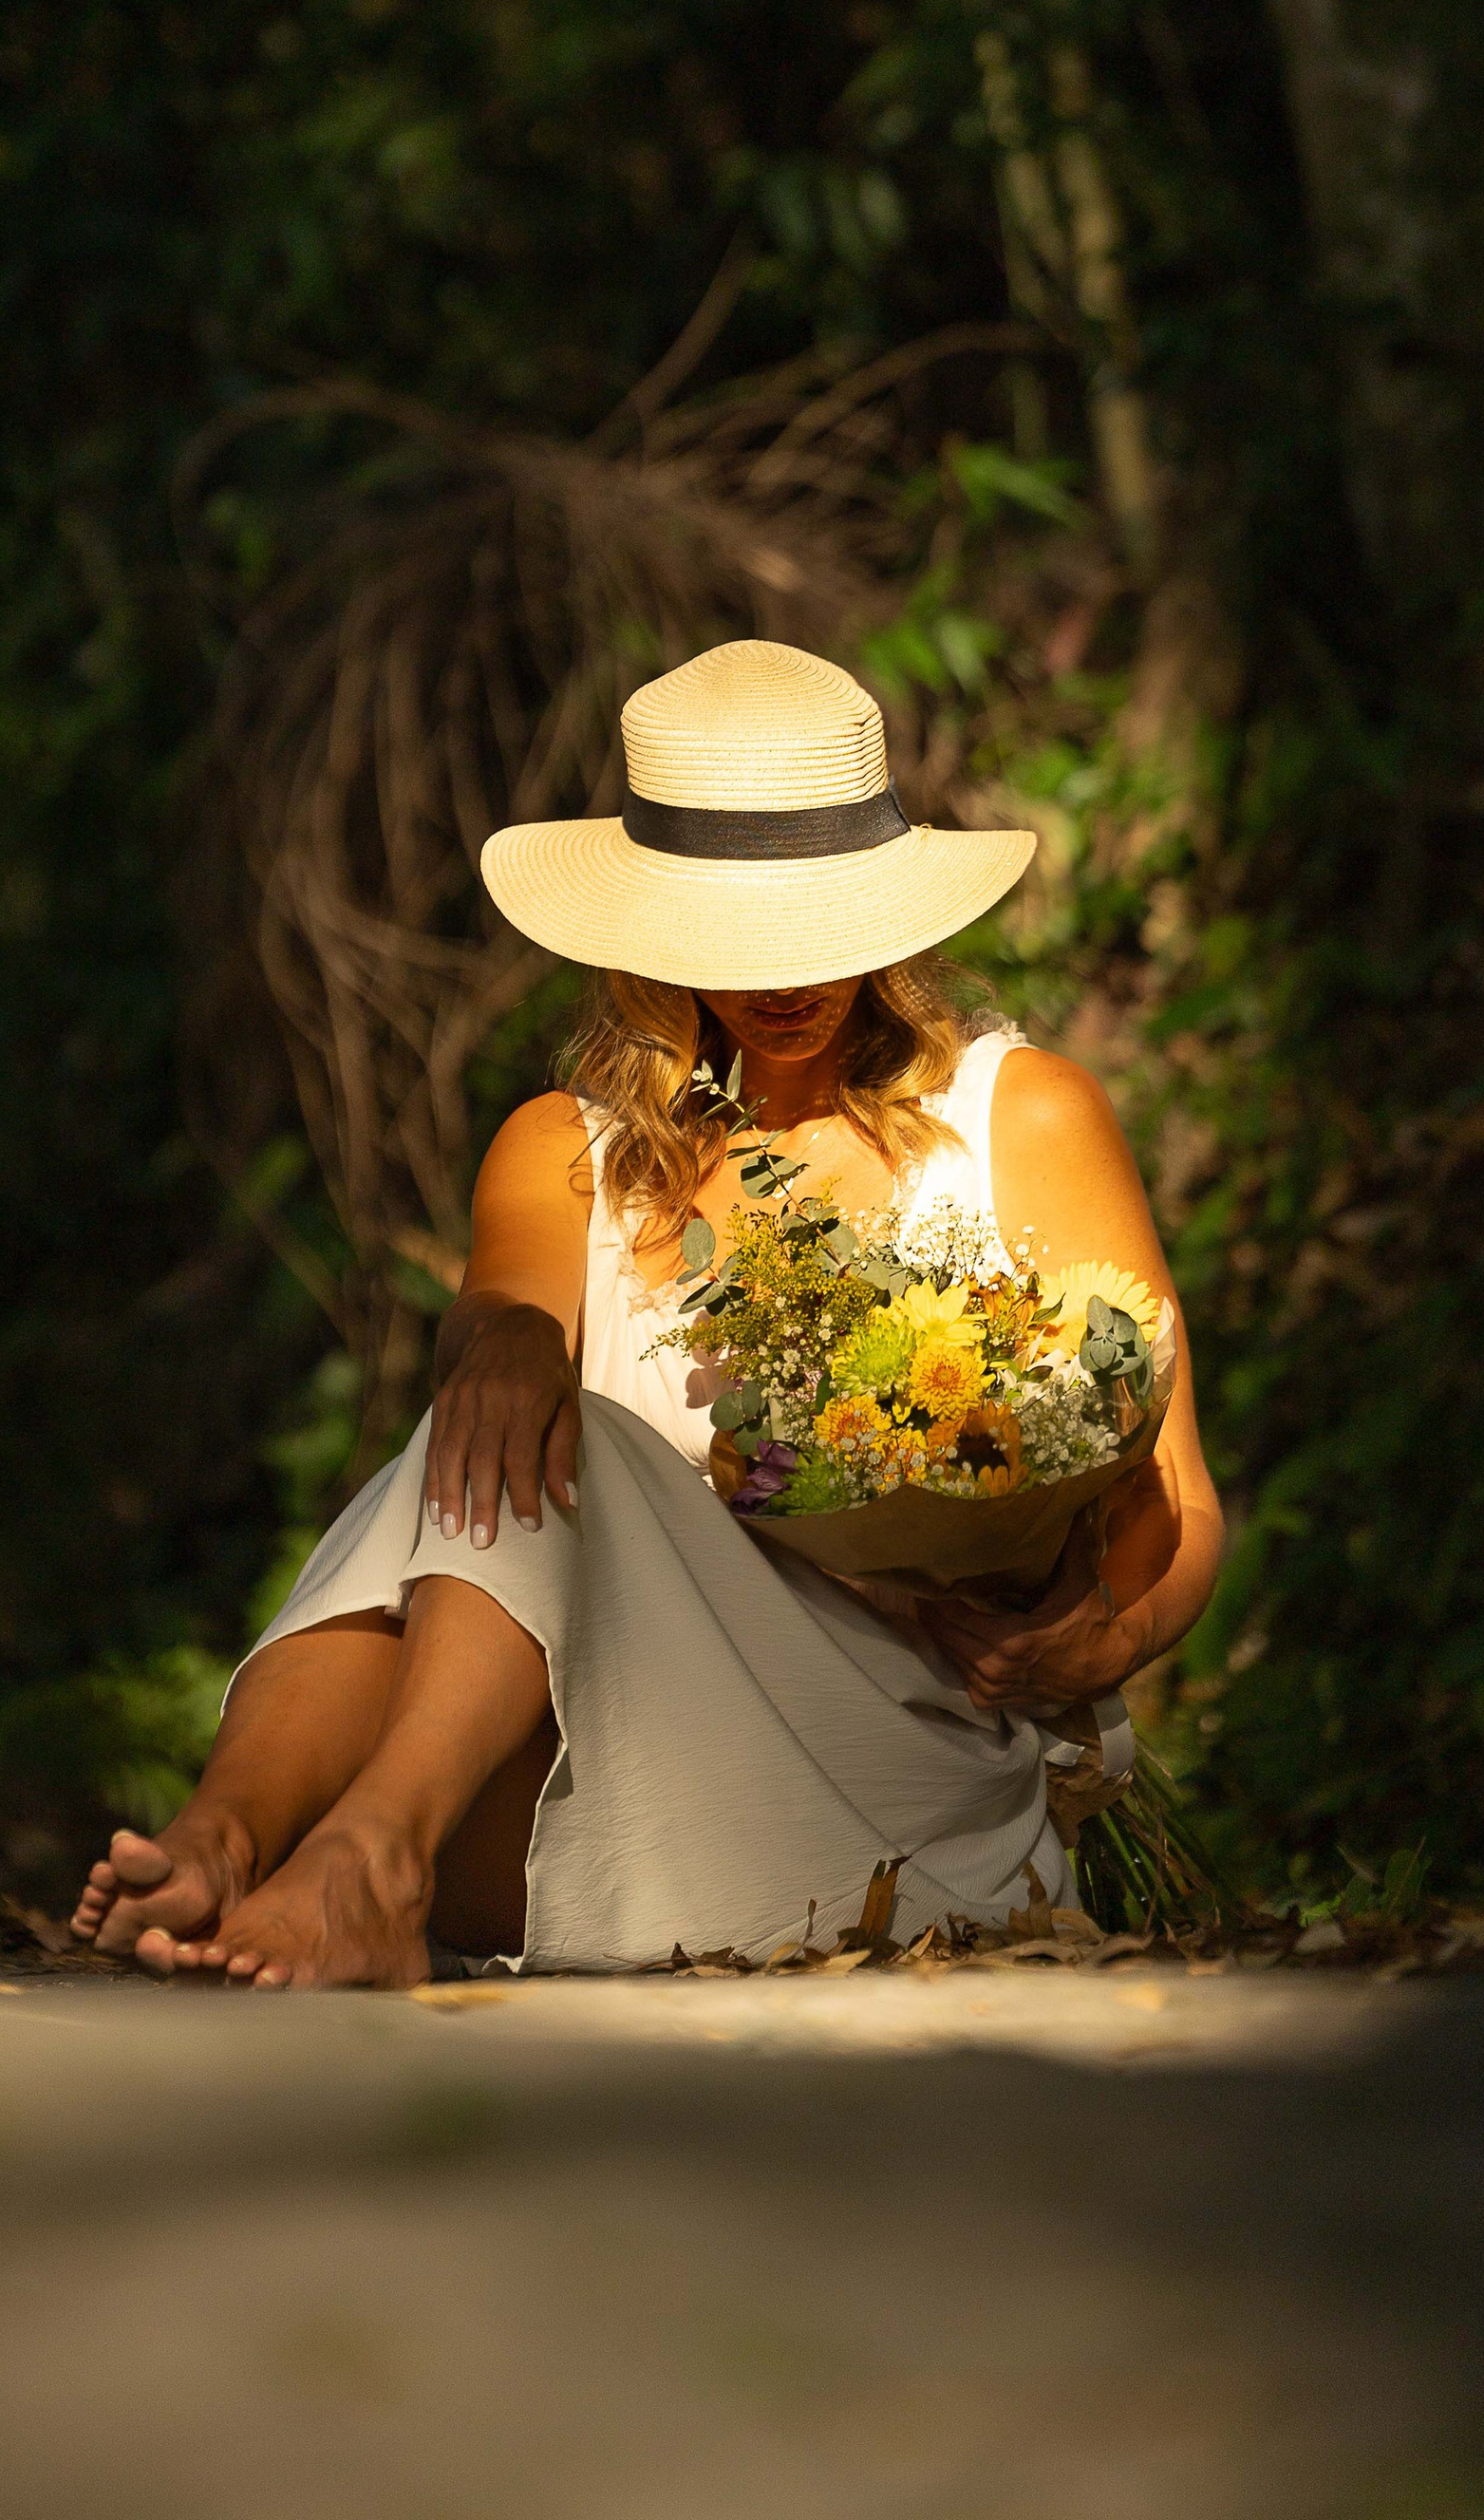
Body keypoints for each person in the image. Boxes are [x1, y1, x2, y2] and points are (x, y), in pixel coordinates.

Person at [75, 636, 1223, 1987]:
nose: (783, 981)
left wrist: (1111, 1637)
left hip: (917, 1780)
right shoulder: (567, 1151)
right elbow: (501, 1314)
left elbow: (1180, 1502)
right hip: (627, 1778)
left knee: (584, 1447)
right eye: (728, 935)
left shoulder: (1018, 1118)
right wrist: (497, 1338)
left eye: (820, 927)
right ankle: (236, 1839)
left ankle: (347, 1856)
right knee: (506, 1434)